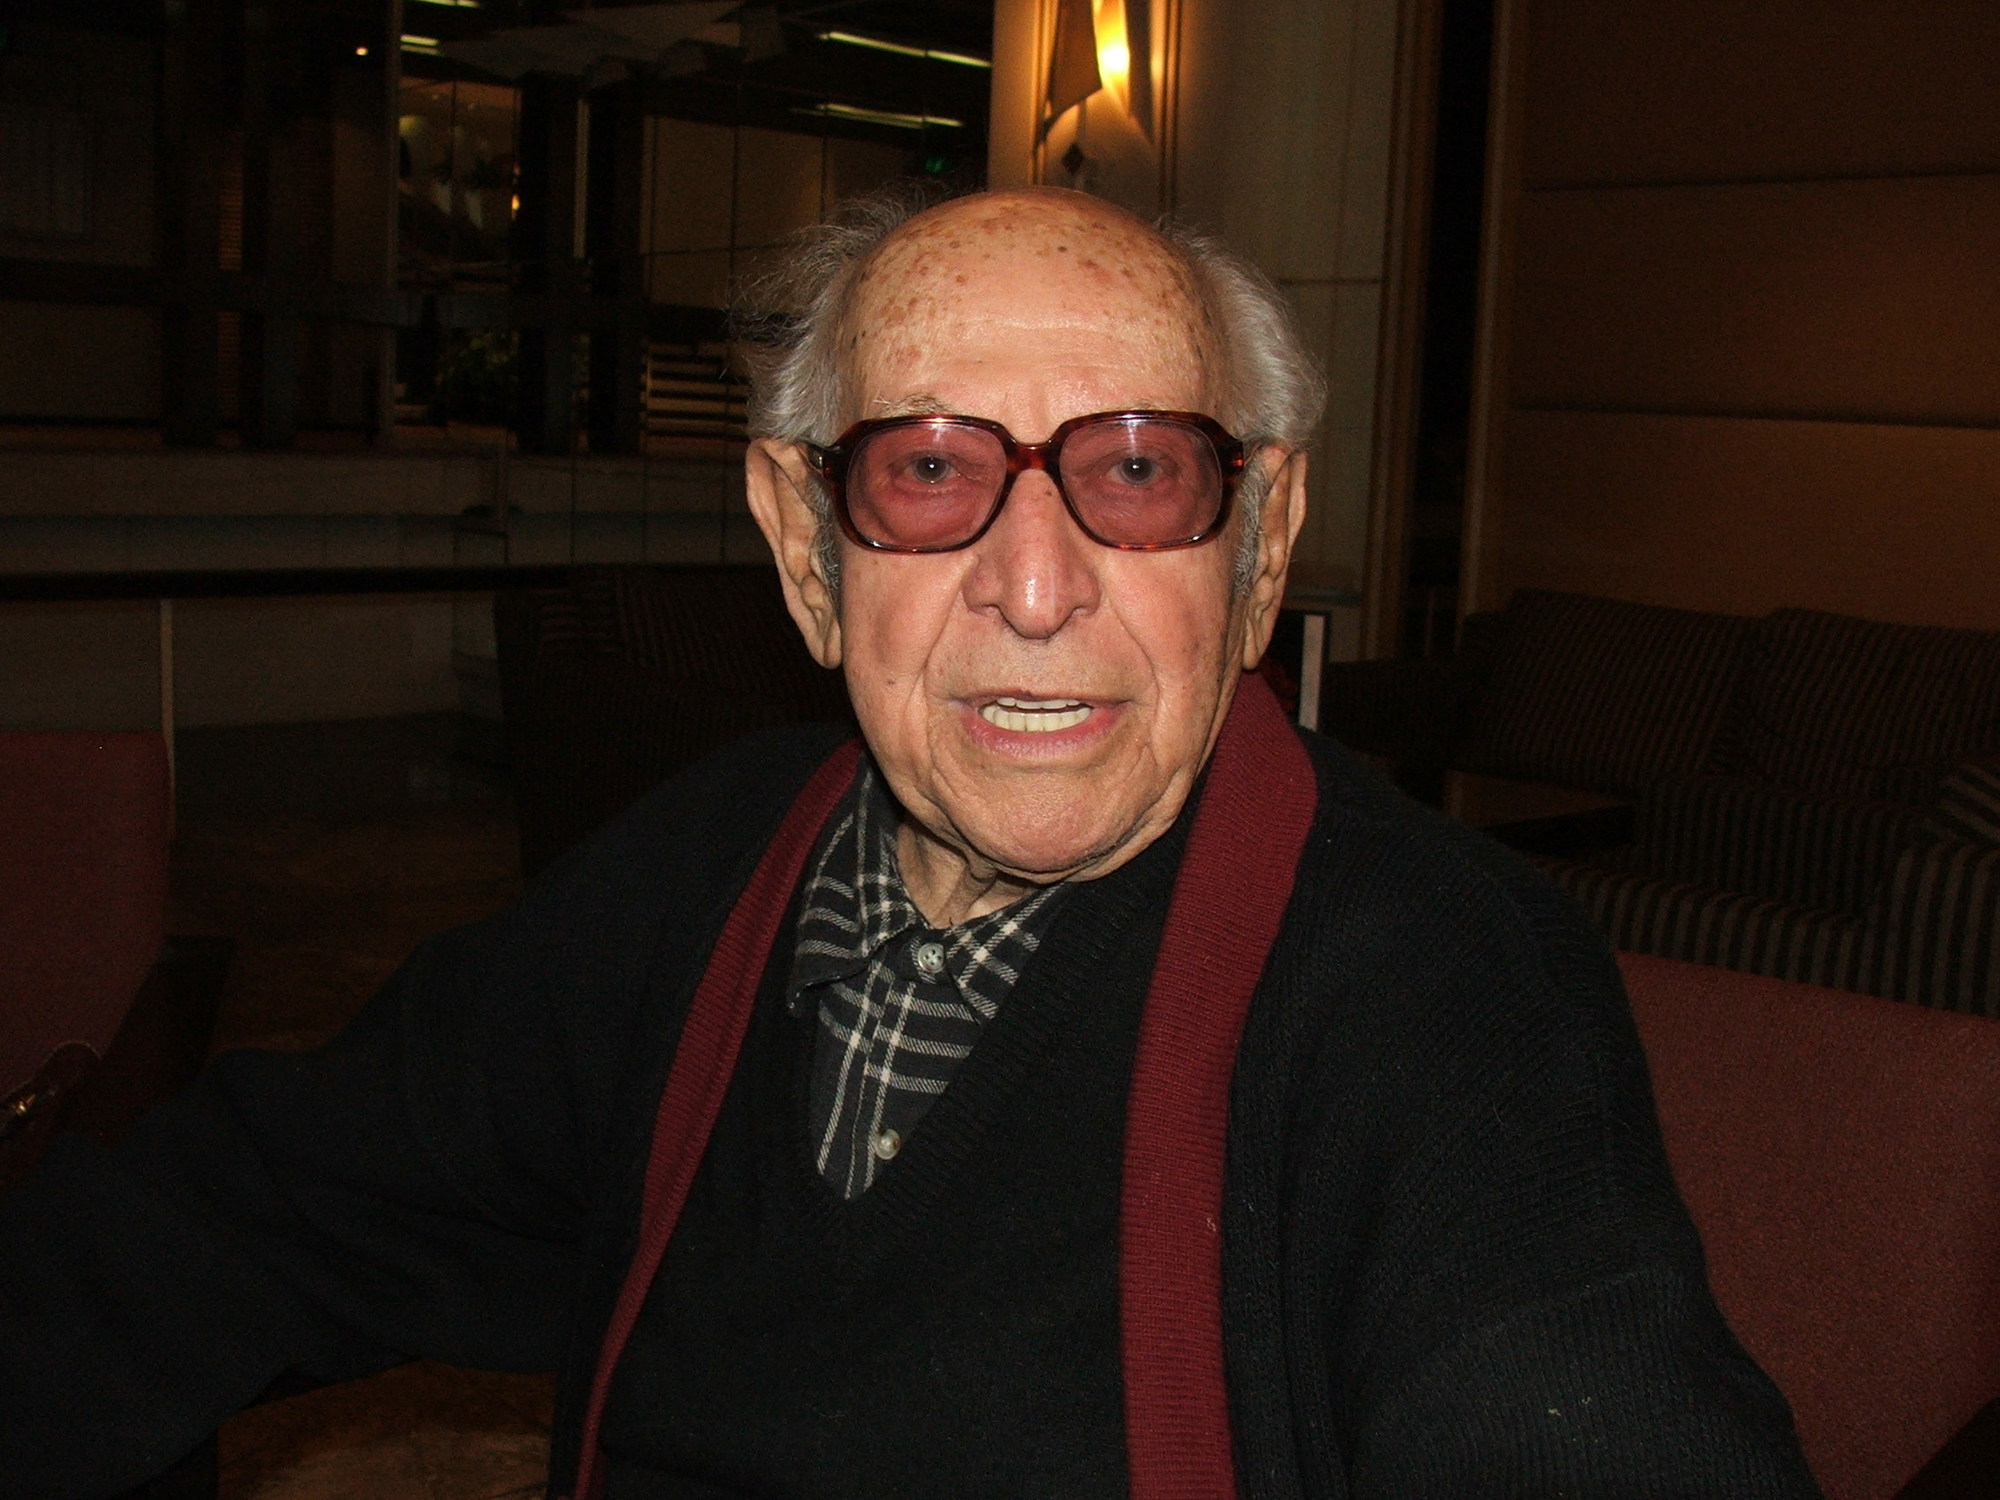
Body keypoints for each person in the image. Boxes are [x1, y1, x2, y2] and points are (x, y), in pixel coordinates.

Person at [0, 187, 1821, 1498]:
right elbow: (247, 1213)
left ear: (1261, 550)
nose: (1035, 587)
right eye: (933, 471)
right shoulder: (707, 865)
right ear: (807, 555)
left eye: (1135, 470)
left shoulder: (1447, 995)